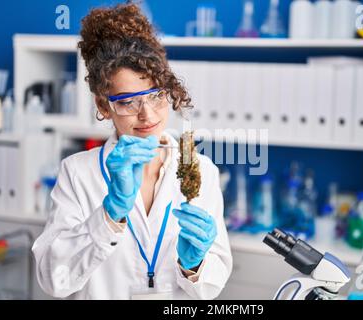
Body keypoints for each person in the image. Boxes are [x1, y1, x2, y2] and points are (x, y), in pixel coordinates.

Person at [32, 3, 232, 300]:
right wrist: (108, 215)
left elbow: (211, 285)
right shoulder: (78, 173)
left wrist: (195, 265)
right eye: (127, 102)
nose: (148, 115)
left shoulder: (202, 169)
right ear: (103, 106)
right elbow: (54, 280)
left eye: (156, 95)